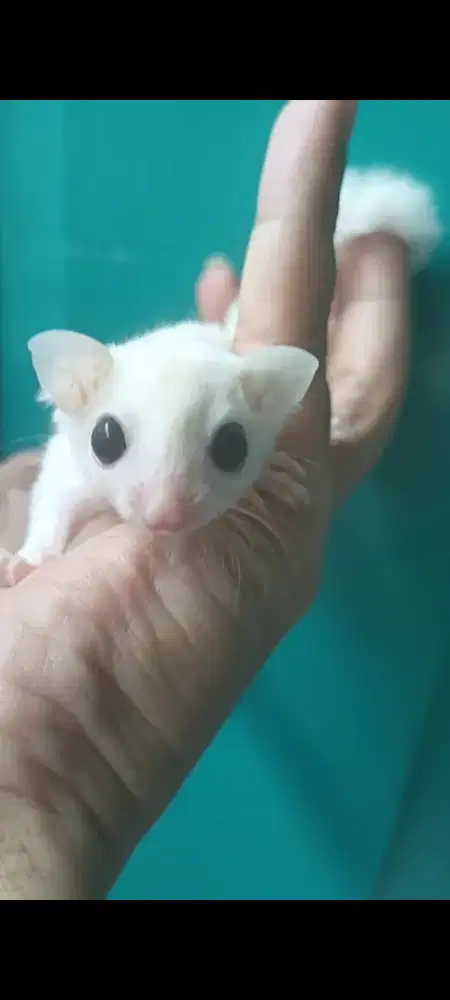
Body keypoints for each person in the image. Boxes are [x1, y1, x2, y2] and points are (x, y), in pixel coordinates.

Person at [0, 100, 410, 900]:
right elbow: (60, 482)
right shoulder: (86, 417)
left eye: (227, 451)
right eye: (111, 442)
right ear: (73, 393)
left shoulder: (248, 392)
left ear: (269, 411)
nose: (165, 511)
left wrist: (264, 461)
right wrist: (40, 545)